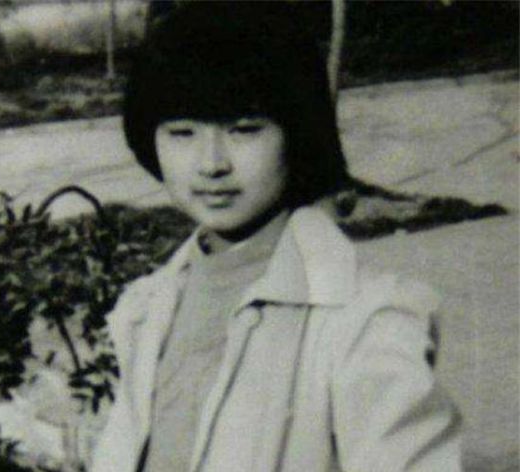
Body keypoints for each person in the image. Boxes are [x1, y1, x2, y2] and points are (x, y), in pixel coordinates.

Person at [92, 3, 462, 471]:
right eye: (182, 133)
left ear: (297, 134)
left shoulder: (365, 318)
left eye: (244, 130)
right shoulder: (148, 307)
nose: (211, 164)